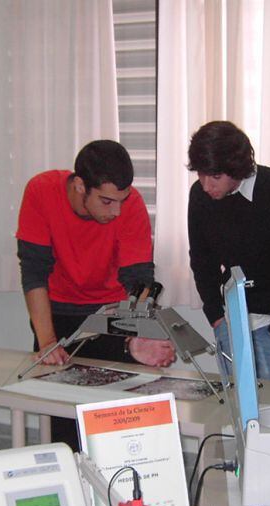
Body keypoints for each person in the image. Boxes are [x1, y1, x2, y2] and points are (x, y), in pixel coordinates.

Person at [16, 140, 175, 450]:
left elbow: (138, 281)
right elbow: (34, 273)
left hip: (110, 314)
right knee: (62, 429)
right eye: (106, 202)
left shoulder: (130, 204)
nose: (116, 211)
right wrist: (48, 343)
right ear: (79, 186)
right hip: (57, 311)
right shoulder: (41, 191)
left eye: (121, 200)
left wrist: (135, 338)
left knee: (114, 427)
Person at [187, 121, 270, 382]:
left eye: (214, 177)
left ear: (236, 169)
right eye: (200, 175)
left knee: (264, 406)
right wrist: (215, 316)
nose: (206, 185)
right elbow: (202, 260)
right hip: (232, 315)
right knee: (236, 403)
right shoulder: (201, 197)